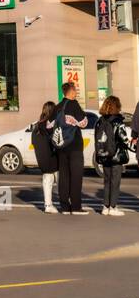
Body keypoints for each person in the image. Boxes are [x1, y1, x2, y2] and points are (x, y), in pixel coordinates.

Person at [52, 81, 89, 215]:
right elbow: (84, 123)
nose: (77, 93)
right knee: (76, 176)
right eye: (76, 90)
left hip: (61, 146)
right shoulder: (74, 105)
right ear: (72, 92)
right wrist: (75, 121)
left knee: (64, 176)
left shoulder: (58, 107)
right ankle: (76, 207)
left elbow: (50, 125)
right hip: (74, 146)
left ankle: (64, 207)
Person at [95, 95, 128, 216]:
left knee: (107, 181)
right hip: (115, 156)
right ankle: (113, 207)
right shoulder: (118, 121)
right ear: (117, 106)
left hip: (104, 155)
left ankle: (105, 207)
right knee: (115, 182)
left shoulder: (100, 121)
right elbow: (123, 138)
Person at [30, 100, 59, 214]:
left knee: (47, 179)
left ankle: (48, 204)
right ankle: (64, 203)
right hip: (53, 156)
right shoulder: (52, 124)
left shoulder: (37, 126)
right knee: (58, 179)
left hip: (41, 157)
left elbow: (33, 141)